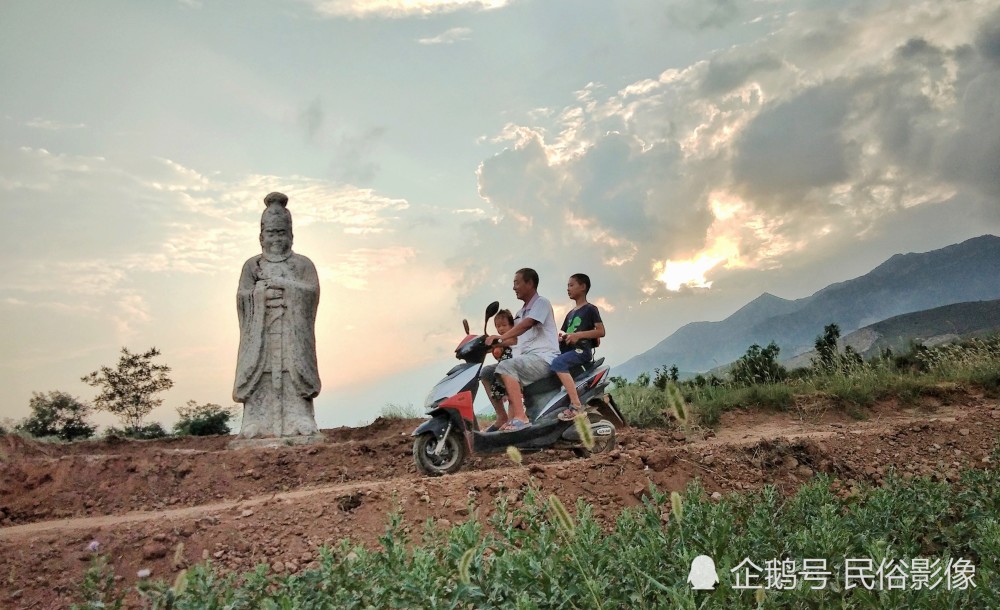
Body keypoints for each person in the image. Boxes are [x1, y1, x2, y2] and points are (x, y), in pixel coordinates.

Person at [233, 192, 321, 438]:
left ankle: (300, 417)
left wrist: (287, 287)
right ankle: (255, 422)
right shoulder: (252, 266)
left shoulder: (303, 264)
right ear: (261, 236)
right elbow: (242, 296)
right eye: (271, 233)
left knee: (292, 370)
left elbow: (312, 292)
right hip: (261, 332)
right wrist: (259, 295)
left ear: (291, 235)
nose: (276, 239)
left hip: (291, 331)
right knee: (261, 372)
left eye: (281, 233)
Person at [485, 268, 560, 431]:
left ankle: (521, 417)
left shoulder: (541, 303)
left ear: (530, 283)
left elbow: (528, 324)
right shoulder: (520, 313)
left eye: (517, 283)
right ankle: (501, 417)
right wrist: (487, 345)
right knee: (486, 373)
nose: (514, 287)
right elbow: (514, 339)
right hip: (526, 360)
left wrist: (500, 338)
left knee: (506, 366)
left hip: (544, 359)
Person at [551, 273, 605, 421]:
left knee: (558, 363)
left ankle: (576, 406)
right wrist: (562, 337)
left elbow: (601, 331)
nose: (568, 288)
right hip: (568, 350)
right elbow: (563, 332)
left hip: (581, 351)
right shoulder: (570, 313)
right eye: (567, 286)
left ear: (583, 287)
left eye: (571, 285)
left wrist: (577, 336)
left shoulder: (590, 309)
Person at [479, 309, 517, 432]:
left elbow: (513, 342)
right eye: (498, 326)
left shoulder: (513, 336)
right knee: (485, 373)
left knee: (511, 395)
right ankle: (502, 417)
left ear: (511, 325)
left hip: (513, 371)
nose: (500, 329)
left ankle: (511, 423)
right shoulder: (500, 340)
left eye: (504, 325)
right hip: (502, 371)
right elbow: (491, 347)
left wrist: (499, 341)